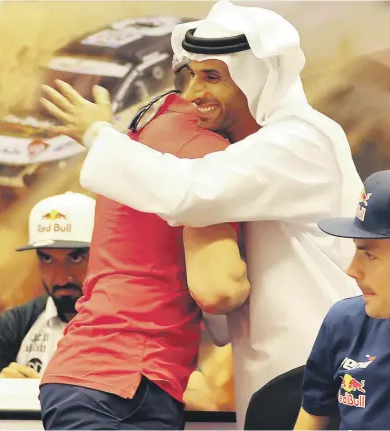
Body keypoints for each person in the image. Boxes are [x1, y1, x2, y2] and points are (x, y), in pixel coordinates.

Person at [40, 1, 362, 427]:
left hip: (316, 367)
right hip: (275, 375)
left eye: (212, 76)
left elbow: (189, 192)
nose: (192, 95)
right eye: (189, 75)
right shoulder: (240, 153)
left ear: (258, 78)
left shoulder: (300, 139)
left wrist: (99, 135)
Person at [38, 67, 250, 430]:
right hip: (123, 380)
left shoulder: (140, 138)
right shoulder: (204, 150)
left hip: (103, 377)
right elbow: (219, 290)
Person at [294, 169, 390, 430]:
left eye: (370, 255)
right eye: (356, 250)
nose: (352, 270)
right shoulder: (345, 323)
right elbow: (311, 420)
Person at [0, 191, 95, 378]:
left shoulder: (128, 325)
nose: (60, 278)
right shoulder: (18, 324)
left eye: (75, 258)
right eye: (47, 259)